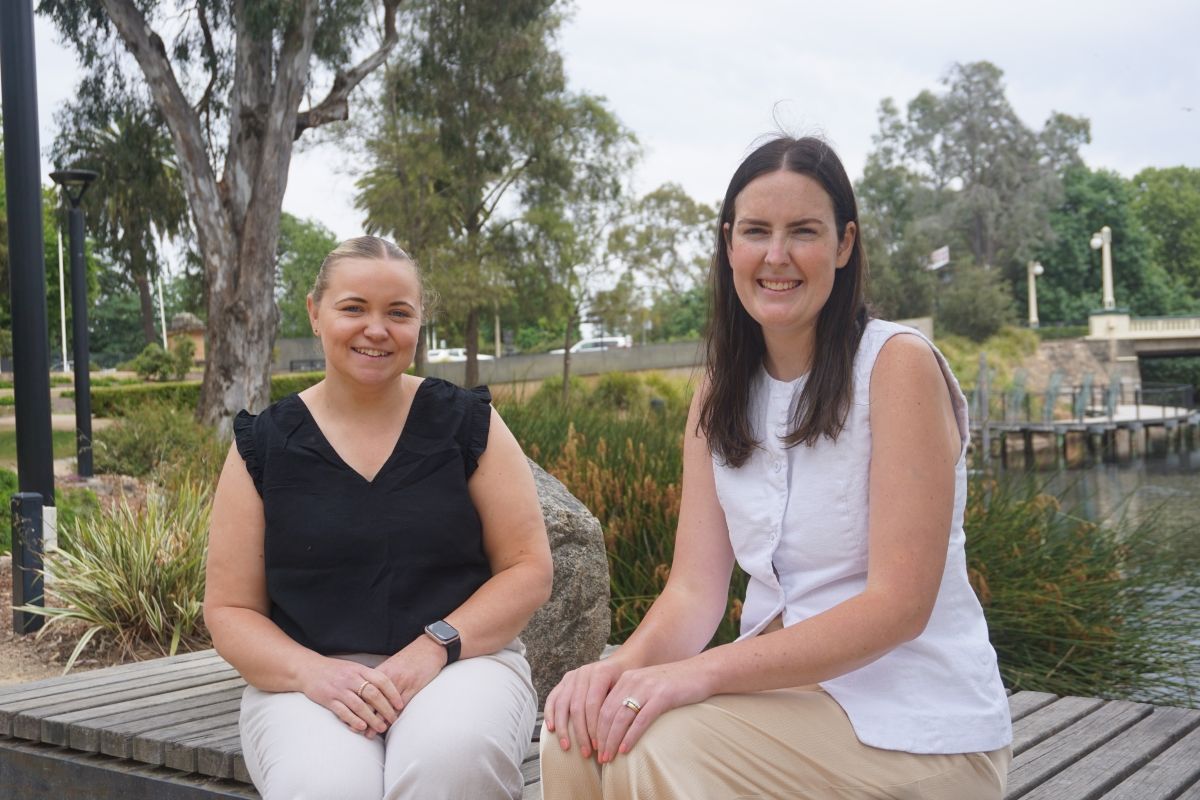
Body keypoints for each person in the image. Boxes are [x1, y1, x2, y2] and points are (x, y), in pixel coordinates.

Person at [539, 136, 1012, 799]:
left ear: (845, 245)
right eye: (757, 231)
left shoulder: (896, 365)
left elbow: (899, 607)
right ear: (730, 243)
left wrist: (702, 674)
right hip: (783, 703)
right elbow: (693, 593)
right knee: (577, 735)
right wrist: (618, 669)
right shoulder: (718, 390)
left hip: (918, 728)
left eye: (804, 232)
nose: (777, 255)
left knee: (657, 750)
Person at [204, 235, 553, 800]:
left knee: (452, 761)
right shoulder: (262, 445)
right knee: (324, 787)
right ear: (315, 314)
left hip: (461, 662)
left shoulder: (469, 424)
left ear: (419, 325)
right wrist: (316, 675)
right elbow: (229, 610)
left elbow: (527, 568)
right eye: (353, 308)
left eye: (398, 313)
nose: (376, 329)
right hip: (308, 681)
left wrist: (432, 648)